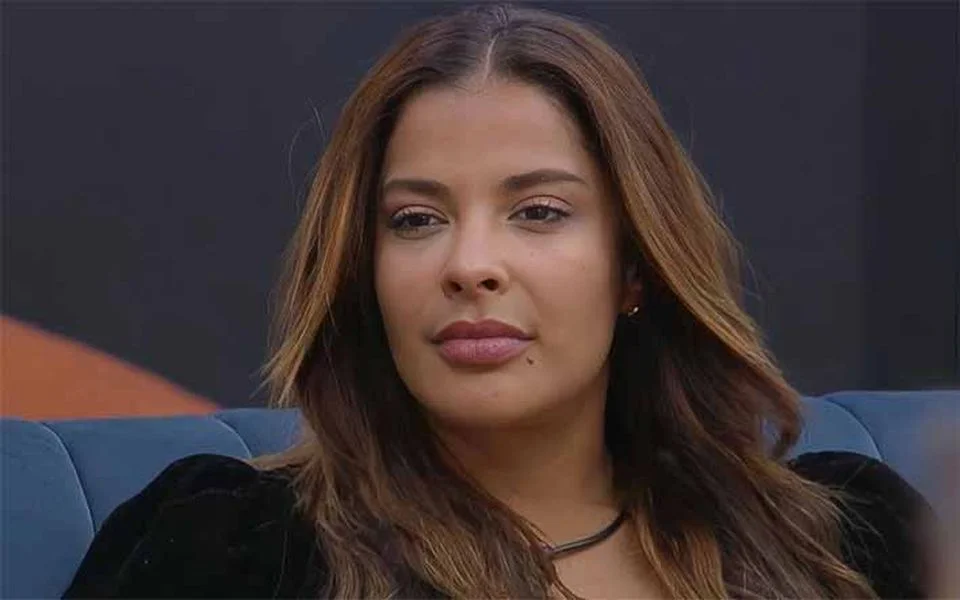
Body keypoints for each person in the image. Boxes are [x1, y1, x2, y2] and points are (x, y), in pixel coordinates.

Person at [63, 4, 934, 598]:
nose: (470, 265)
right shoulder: (233, 550)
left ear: (635, 268)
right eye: (416, 220)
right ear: (364, 272)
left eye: (539, 211)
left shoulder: (847, 537)